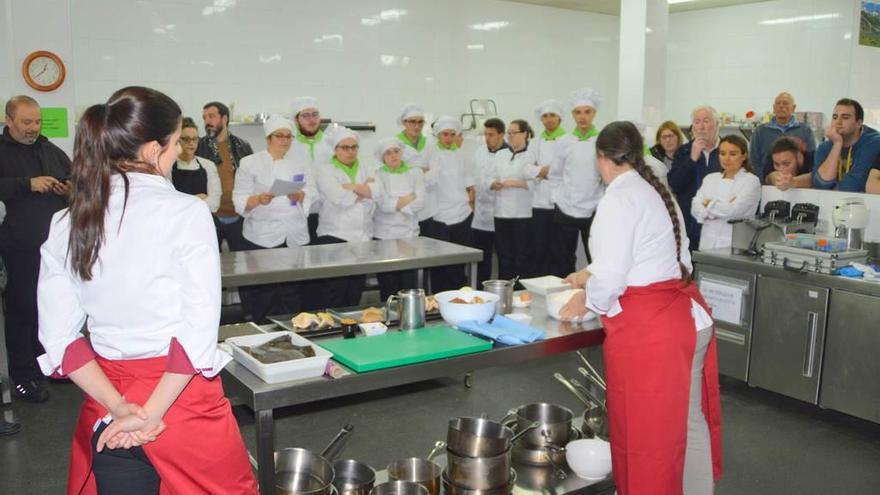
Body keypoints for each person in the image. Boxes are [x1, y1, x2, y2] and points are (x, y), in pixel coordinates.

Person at [37, 86, 257, 494]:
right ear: (156, 148)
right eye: (175, 143)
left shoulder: (69, 220)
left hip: (107, 402)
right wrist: (148, 415)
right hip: (179, 403)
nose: (177, 153)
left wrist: (122, 409)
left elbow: (58, 338)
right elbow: (196, 333)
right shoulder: (186, 213)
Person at [559, 121, 722, 495]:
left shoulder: (618, 199)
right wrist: (591, 275)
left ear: (602, 159)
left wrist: (590, 296)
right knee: (688, 421)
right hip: (686, 317)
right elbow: (667, 256)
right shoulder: (655, 188)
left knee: (647, 433)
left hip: (654, 334)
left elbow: (613, 277)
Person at [0, 95, 71, 403]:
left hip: (53, 246)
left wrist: (69, 188)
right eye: (26, 122)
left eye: (37, 121)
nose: (33, 128)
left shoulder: (51, 149)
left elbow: (74, 180)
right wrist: (26, 184)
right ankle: (23, 375)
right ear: (8, 121)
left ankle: (48, 363)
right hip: (18, 246)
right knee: (21, 310)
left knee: (49, 307)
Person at [232, 115, 316, 322]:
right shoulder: (250, 163)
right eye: (280, 136)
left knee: (291, 289)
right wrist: (258, 199)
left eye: (289, 136)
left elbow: (312, 191)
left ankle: (294, 328)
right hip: (263, 235)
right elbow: (239, 198)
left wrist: (300, 195)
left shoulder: (300, 163)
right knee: (265, 291)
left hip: (294, 234)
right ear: (269, 138)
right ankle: (264, 329)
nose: (285, 140)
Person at [315, 127, 380, 307]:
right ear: (335, 149)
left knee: (355, 292)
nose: (350, 151)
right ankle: (333, 332)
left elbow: (378, 191)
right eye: (345, 147)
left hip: (362, 238)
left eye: (354, 147)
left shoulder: (368, 167)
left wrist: (350, 187)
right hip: (335, 236)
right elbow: (338, 198)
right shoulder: (325, 170)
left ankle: (351, 329)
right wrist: (363, 189)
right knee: (334, 293)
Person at [552, 88, 604, 274]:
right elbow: (555, 175)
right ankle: (563, 298)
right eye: (578, 112)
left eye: (587, 112)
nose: (582, 117)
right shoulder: (563, 141)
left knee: (596, 257)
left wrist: (600, 200)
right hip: (566, 207)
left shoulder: (602, 141)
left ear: (594, 113)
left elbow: (607, 176)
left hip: (594, 209)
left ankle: (594, 298)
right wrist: (558, 197)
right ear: (573, 114)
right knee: (562, 258)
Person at [426, 116, 475, 292]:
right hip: (439, 218)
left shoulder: (462, 156)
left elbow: (470, 186)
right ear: (438, 135)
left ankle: (461, 298)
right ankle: (439, 301)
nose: (448, 138)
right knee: (440, 265)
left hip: (462, 216)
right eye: (445, 134)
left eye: (452, 134)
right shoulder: (430, 156)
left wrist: (470, 208)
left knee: (459, 264)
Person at [372, 138, 425, 299]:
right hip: (385, 235)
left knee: (409, 285)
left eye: (396, 151)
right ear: (383, 158)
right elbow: (384, 205)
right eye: (388, 153)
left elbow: (421, 201)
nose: (393, 155)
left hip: (409, 235)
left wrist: (397, 203)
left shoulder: (415, 172)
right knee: (389, 285)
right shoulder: (377, 175)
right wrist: (409, 197)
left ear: (401, 153)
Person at [196, 101, 254, 250]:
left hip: (239, 216)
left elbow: (253, 179)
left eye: (211, 116)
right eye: (204, 118)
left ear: (224, 119)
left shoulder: (243, 146)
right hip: (209, 217)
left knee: (242, 263)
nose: (207, 121)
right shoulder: (198, 146)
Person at [691, 135, 762, 250]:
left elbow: (733, 212)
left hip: (735, 246)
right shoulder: (710, 179)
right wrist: (721, 206)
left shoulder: (751, 181)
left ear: (744, 156)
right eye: (723, 153)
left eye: (733, 154)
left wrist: (707, 203)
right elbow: (695, 209)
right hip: (706, 244)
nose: (726, 158)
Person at [669, 105, 722, 251]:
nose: (701, 127)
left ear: (717, 124)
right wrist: (692, 159)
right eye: (697, 122)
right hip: (689, 224)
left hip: (719, 224)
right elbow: (674, 184)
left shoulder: (727, 150)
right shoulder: (683, 151)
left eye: (706, 121)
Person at [525, 99, 567, 277]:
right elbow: (526, 169)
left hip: (563, 205)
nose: (549, 119)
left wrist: (540, 171)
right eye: (545, 116)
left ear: (560, 118)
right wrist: (548, 170)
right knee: (539, 250)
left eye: (552, 115)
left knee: (561, 252)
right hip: (540, 204)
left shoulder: (568, 140)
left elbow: (570, 170)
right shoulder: (535, 142)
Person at [488, 119, 532, 282]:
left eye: (515, 133)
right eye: (509, 133)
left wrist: (515, 183)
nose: (511, 136)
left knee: (521, 256)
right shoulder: (500, 155)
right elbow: (490, 176)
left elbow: (536, 182)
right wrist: (493, 183)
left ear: (525, 134)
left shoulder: (531, 155)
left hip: (522, 213)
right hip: (501, 212)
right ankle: (503, 290)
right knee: (504, 256)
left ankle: (520, 292)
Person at [471, 118, 510, 285]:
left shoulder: (509, 154)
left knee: (504, 256)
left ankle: (503, 289)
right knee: (482, 258)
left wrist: (491, 183)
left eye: (491, 134)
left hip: (502, 213)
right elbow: (476, 178)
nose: (488, 138)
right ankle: (480, 290)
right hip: (481, 216)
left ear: (501, 134)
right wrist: (488, 183)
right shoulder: (479, 152)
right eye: (486, 134)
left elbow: (506, 179)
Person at [813, 98, 880, 192]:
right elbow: (820, 184)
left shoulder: (874, 142)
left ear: (859, 123)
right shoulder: (825, 147)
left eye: (845, 117)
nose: (838, 122)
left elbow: (854, 185)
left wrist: (830, 191)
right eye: (835, 117)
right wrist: (837, 144)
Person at [289, 96, 331, 244]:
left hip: (328, 215)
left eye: (315, 114)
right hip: (298, 214)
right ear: (296, 120)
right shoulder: (288, 146)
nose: (311, 120)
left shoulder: (332, 144)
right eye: (305, 116)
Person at [748, 92, 816, 180]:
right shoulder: (760, 131)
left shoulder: (805, 130)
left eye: (785, 103)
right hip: (767, 185)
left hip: (797, 185)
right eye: (778, 103)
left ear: (793, 108)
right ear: (773, 108)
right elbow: (754, 161)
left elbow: (811, 160)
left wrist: (799, 181)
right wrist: (764, 181)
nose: (781, 106)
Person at [171, 117, 221, 213]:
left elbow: (214, 204)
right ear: (177, 140)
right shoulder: (169, 167)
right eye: (186, 139)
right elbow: (169, 204)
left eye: (195, 139)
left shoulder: (208, 166)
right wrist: (198, 198)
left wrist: (182, 203)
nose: (191, 143)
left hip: (203, 221)